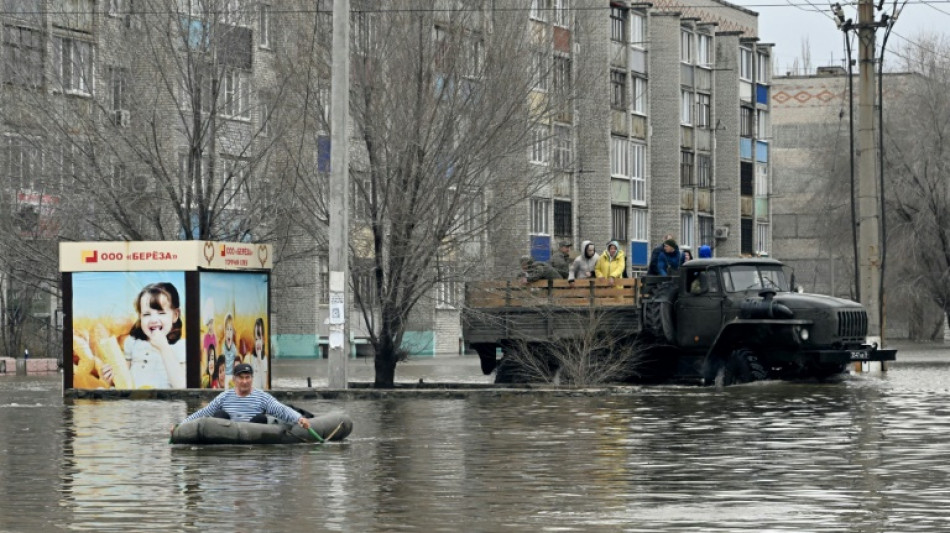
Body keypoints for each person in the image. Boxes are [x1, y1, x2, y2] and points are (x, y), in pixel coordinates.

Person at [179, 363, 311, 429]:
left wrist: (299, 419)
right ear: (235, 379)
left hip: (253, 435)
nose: (244, 381)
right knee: (219, 415)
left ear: (252, 379)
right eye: (241, 378)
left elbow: (281, 409)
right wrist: (181, 426)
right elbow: (204, 412)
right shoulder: (224, 397)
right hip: (228, 435)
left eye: (247, 377)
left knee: (261, 418)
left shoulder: (262, 397)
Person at [122, 282, 186, 389]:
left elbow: (182, 385)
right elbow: (124, 381)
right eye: (146, 314)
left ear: (175, 315)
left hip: (165, 404)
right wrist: (111, 379)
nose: (153, 320)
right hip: (135, 403)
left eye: (161, 313)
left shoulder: (180, 346)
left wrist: (164, 348)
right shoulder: (132, 343)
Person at [221, 312, 238, 388]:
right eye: (227, 329)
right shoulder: (223, 346)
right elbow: (221, 363)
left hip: (232, 376)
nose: (229, 332)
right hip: (225, 376)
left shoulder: (234, 347)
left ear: (233, 332)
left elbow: (236, 362)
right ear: (224, 331)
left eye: (231, 329)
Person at [250, 317, 268, 389]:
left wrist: (260, 361)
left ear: (263, 340)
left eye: (259, 339)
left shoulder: (265, 359)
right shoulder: (252, 358)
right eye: (256, 339)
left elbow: (264, 385)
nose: (257, 343)